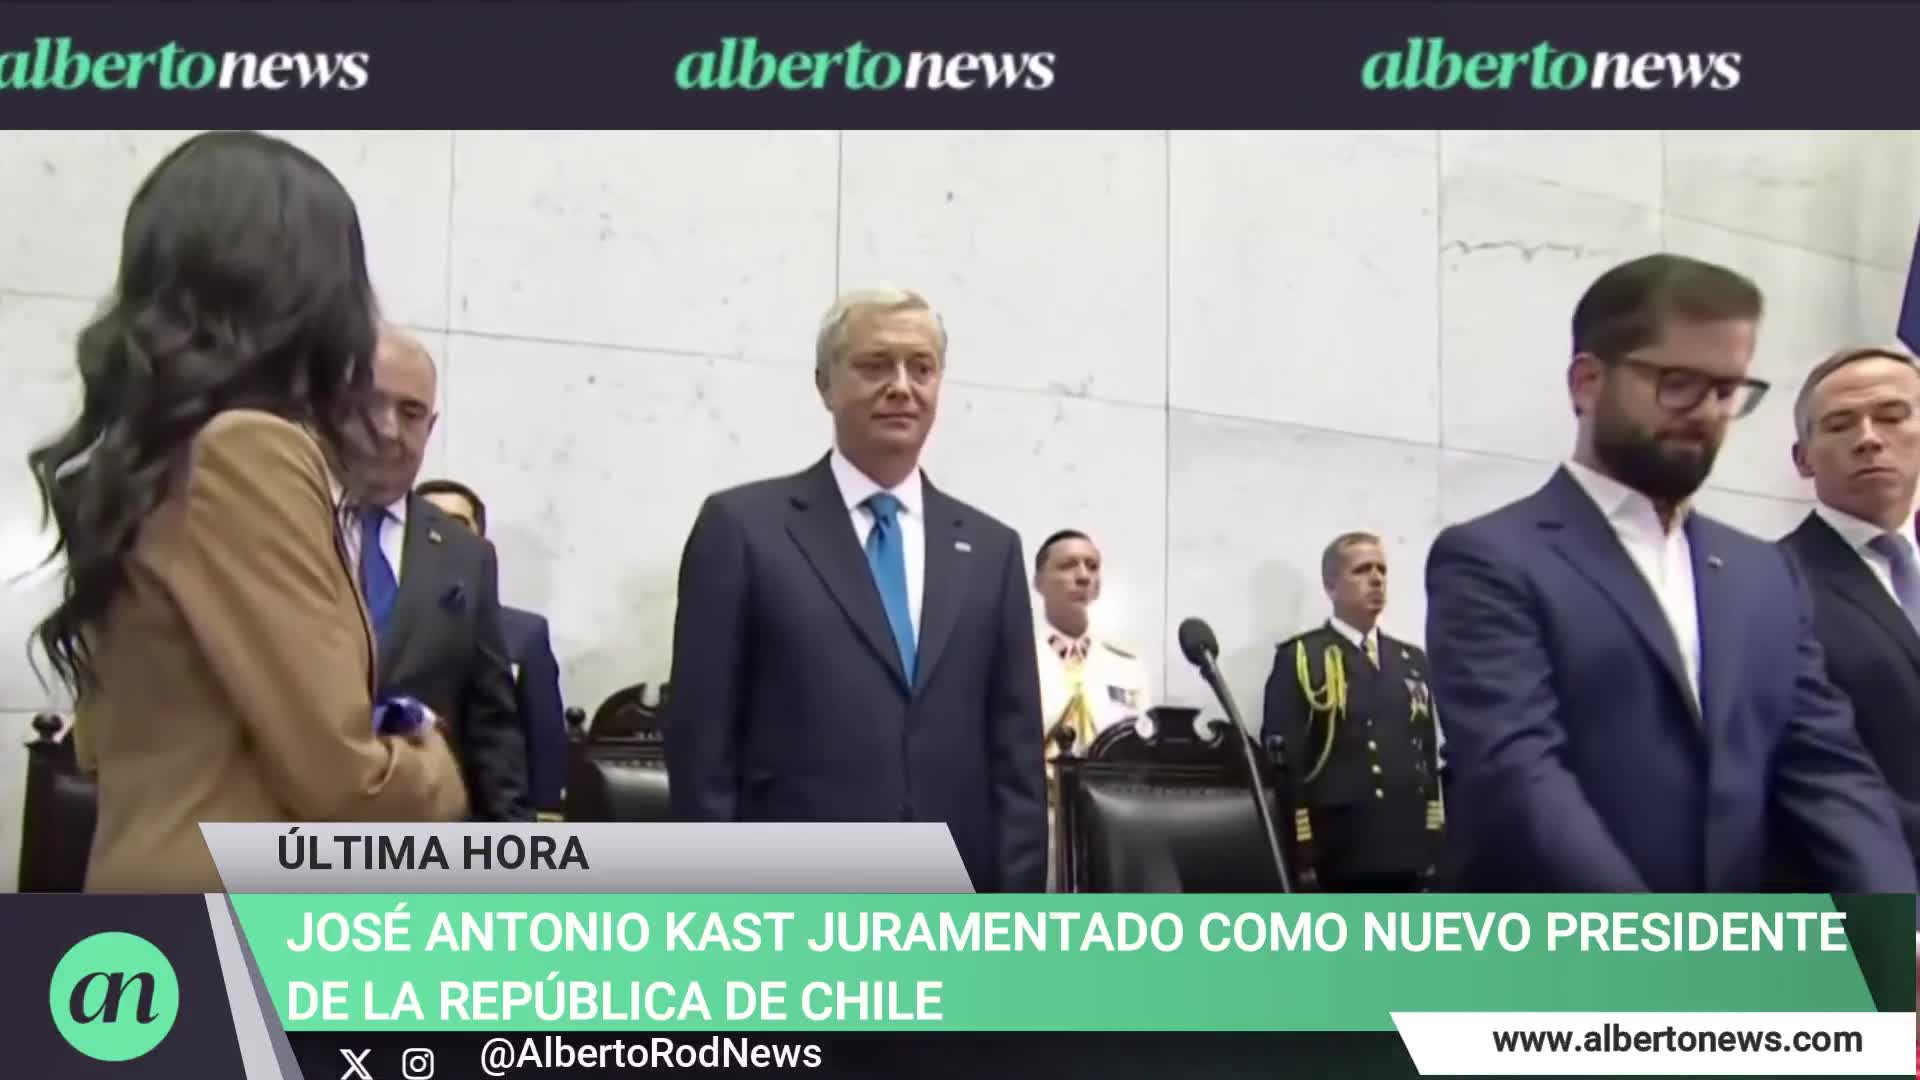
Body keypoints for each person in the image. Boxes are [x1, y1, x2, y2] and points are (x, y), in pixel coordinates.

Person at [25, 130, 468, 893]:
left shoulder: (148, 456)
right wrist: (434, 765)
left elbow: (105, 743)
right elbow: (347, 785)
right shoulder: (247, 451)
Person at [1424, 253, 1914, 894]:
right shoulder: (1491, 559)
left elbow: (1829, 772)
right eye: (1679, 383)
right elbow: (1519, 777)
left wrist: (1894, 927)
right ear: (1587, 383)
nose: (1707, 412)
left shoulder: (1764, 574)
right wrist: (1659, 940)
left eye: (1727, 391)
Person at [662, 287, 1047, 893]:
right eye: (875, 366)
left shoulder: (991, 550)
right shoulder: (743, 530)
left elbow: (1016, 765)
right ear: (825, 385)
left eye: (922, 368)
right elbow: (702, 752)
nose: (902, 387)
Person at [337, 328, 530, 822]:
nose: (389, 429)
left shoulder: (467, 557)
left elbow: (491, 723)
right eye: (371, 405)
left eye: (411, 412)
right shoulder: (287, 523)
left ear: (431, 425)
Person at [1780, 346, 1920, 873]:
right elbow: (1803, 773)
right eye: (1840, 425)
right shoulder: (1770, 586)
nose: (1868, 439)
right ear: (1803, 459)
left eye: (1892, 416)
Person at [1262, 532, 1443, 892]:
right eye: (1361, 570)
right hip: (1340, 850)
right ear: (1331, 586)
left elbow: (1425, 753)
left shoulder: (1411, 660)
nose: (1376, 579)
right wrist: (1302, 851)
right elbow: (1287, 765)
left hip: (1408, 845)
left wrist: (1433, 833)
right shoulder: (1302, 658)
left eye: (1381, 570)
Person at [416, 477, 569, 813]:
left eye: (458, 526)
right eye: (429, 523)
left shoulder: (523, 635)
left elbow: (543, 747)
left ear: (480, 541)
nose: (443, 537)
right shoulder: (372, 621)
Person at [1031, 528, 1153, 755]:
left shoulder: (1127, 667)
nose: (1084, 576)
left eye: (1092, 566)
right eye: (1068, 565)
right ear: (1039, 582)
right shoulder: (1016, 660)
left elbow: (1143, 749)